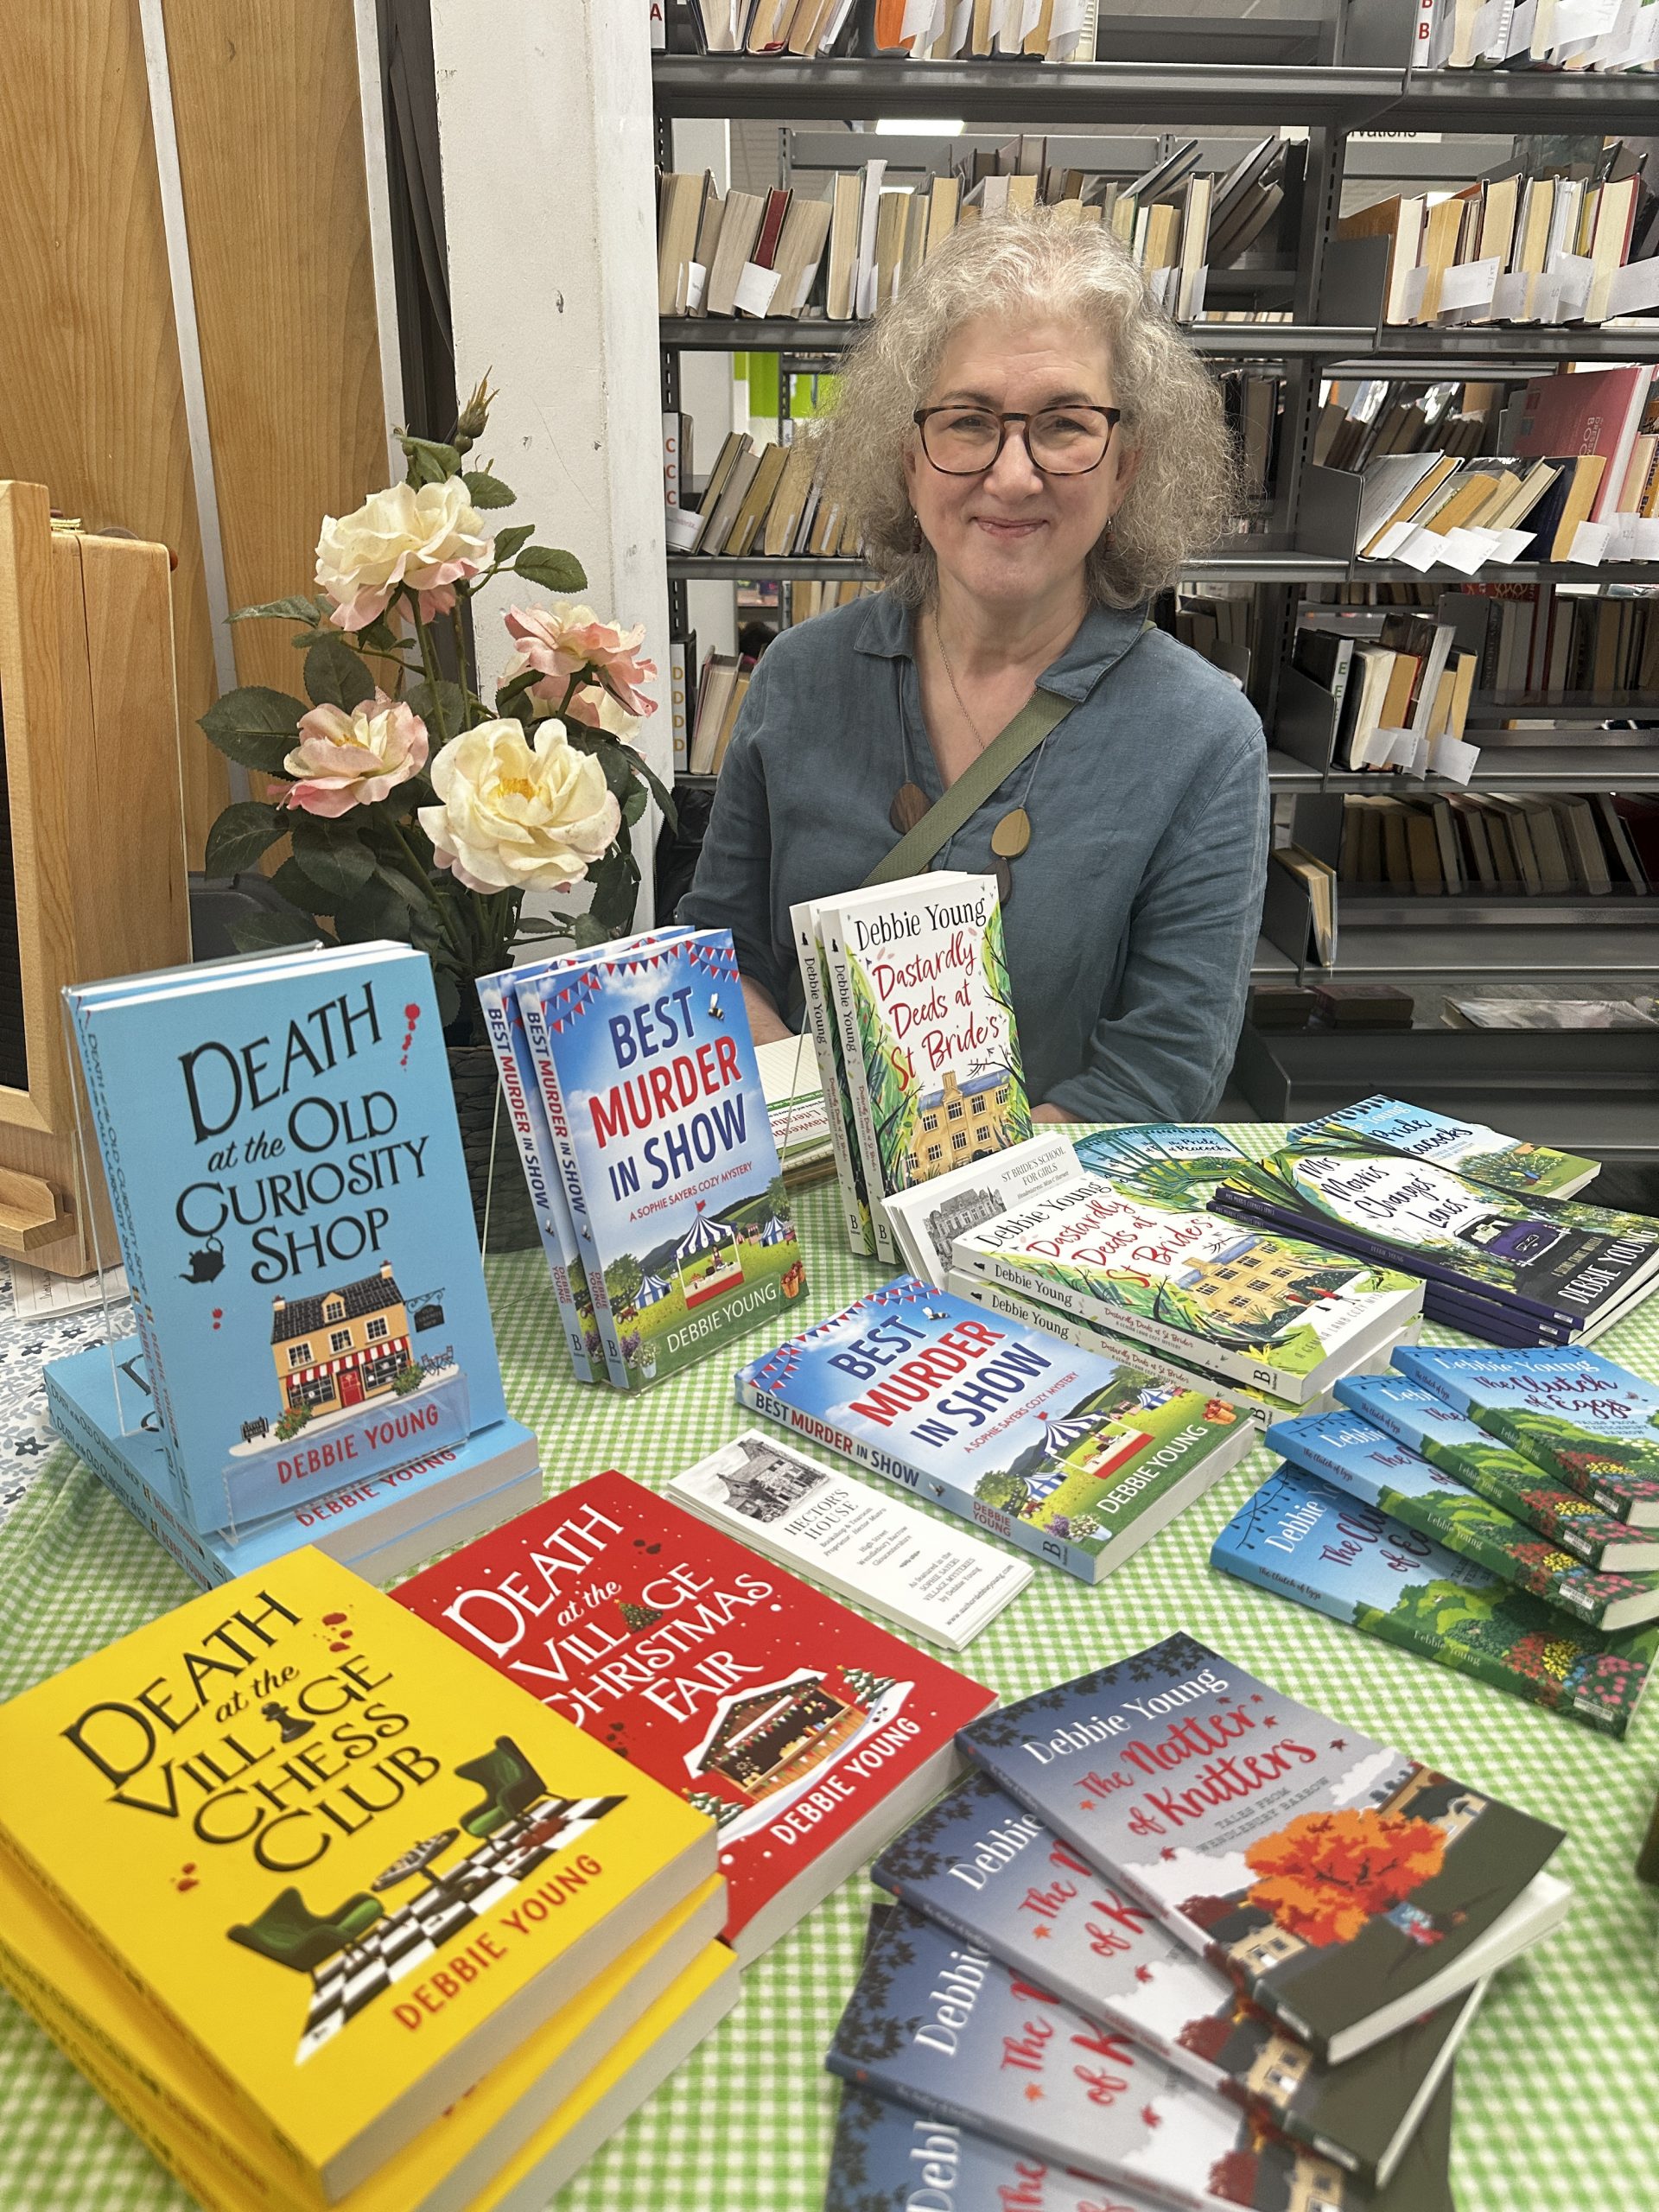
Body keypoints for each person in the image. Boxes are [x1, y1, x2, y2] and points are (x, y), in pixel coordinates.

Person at [678, 215, 1268, 1122]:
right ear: (909, 459)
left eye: (1066, 424)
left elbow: (1160, 1072)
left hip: (1034, 1239)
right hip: (810, 1218)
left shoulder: (1203, 738)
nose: (1014, 474)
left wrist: (943, 1178)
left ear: (1125, 469)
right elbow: (718, 954)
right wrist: (819, 1133)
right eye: (968, 421)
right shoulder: (799, 680)